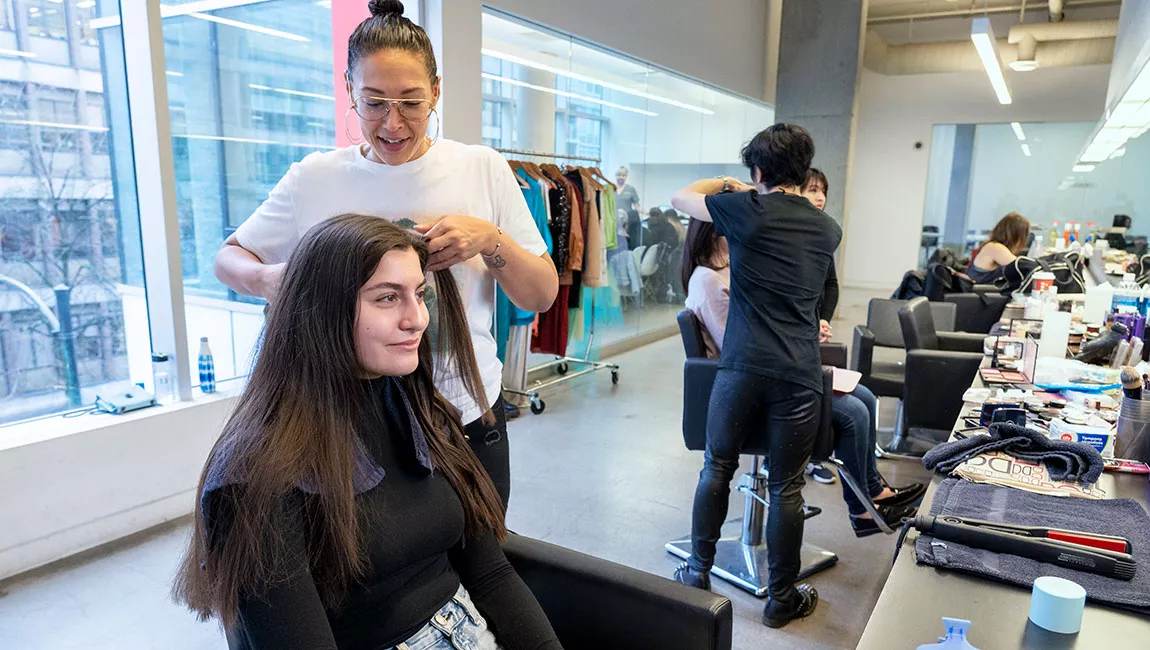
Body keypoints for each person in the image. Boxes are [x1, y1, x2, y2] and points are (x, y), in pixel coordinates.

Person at [213, 0, 559, 510]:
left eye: (411, 102)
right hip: (346, 425)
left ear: (436, 92)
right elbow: (229, 258)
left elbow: (543, 294)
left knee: (482, 563)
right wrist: (275, 280)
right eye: (373, 102)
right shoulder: (315, 178)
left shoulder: (481, 169)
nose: (392, 123)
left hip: (462, 418)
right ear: (349, 91)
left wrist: (490, 241)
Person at [174, 215, 561, 650]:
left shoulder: (422, 411)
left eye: (419, 295)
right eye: (387, 298)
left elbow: (490, 573)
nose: (416, 319)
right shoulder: (253, 478)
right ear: (322, 309)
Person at [668, 124, 840, 628]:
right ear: (805, 173)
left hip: (741, 367)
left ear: (758, 171)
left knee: (716, 468)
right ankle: (781, 601)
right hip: (799, 374)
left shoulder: (744, 210)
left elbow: (681, 198)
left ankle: (697, 575)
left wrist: (729, 182)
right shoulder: (827, 227)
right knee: (788, 487)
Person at [680, 215, 923, 539]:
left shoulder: (730, 271)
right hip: (746, 391)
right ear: (719, 229)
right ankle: (862, 509)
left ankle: (874, 492)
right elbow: (738, 347)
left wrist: (803, 330)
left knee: (863, 396)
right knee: (853, 413)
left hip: (764, 370)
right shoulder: (710, 282)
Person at [967, 212, 1030, 285]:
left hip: (985, 292)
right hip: (983, 293)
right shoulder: (995, 247)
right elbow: (1020, 266)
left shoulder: (991, 246)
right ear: (1017, 235)